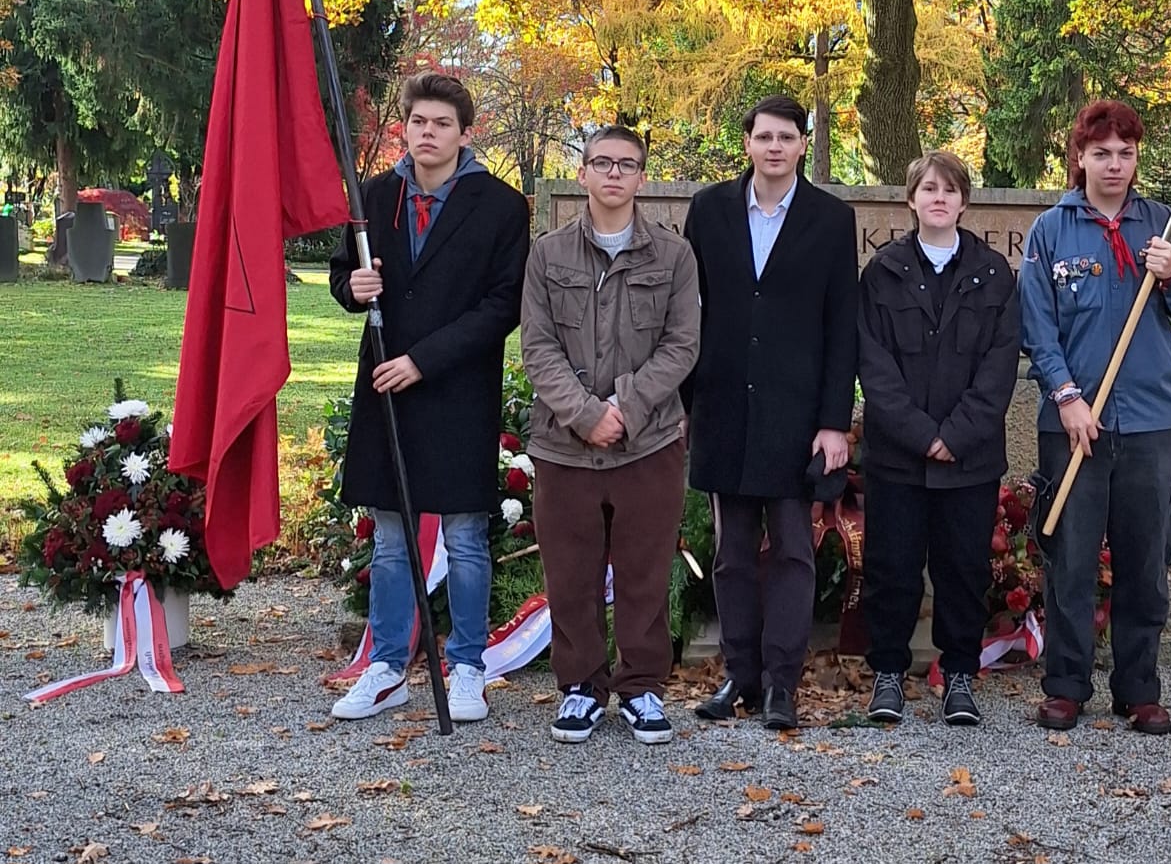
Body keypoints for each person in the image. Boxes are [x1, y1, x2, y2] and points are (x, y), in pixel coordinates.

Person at [328, 73, 530, 724]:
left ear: (465, 133)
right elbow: (342, 273)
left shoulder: (500, 206)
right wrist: (354, 287)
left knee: (465, 536)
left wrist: (425, 359)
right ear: (405, 127)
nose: (429, 133)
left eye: (442, 124)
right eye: (419, 121)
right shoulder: (374, 197)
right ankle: (387, 667)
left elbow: (503, 304)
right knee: (391, 540)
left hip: (458, 389)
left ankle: (467, 665)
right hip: (387, 389)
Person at [1019, 100, 1171, 736]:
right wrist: (1067, 396)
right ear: (1080, 157)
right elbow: (1036, 327)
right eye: (1101, 153)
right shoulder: (1051, 231)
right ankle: (1066, 686)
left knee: (1145, 563)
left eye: (1126, 153)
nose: (1115, 165)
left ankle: (1138, 689)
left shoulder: (1163, 224)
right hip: (1074, 423)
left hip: (1150, 420)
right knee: (1070, 561)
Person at [520, 125, 700, 745]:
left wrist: (623, 406)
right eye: (602, 162)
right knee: (570, 572)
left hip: (648, 443)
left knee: (645, 571)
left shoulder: (673, 256)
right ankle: (580, 686)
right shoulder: (547, 254)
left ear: (642, 177)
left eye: (626, 164)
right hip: (564, 446)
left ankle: (641, 688)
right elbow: (537, 346)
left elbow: (682, 345)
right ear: (584, 173)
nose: (614, 173)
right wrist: (584, 414)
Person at [683, 94, 858, 730]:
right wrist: (686, 405)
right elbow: (688, 312)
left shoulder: (832, 219)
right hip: (723, 407)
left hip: (796, 415)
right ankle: (740, 676)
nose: (775, 147)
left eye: (787, 137)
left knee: (791, 553)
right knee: (731, 554)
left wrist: (834, 421)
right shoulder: (709, 211)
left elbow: (842, 325)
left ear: (803, 144)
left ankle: (782, 683)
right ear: (748, 143)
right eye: (764, 137)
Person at [857, 151, 1019, 726]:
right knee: (891, 569)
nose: (939, 199)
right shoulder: (882, 272)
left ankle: (959, 677)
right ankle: (888, 675)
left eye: (950, 190)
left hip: (969, 461)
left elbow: (999, 366)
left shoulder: (994, 274)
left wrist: (955, 436)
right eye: (929, 189)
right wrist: (923, 436)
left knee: (963, 571)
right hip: (897, 459)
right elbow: (874, 366)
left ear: (964, 201)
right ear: (911, 200)